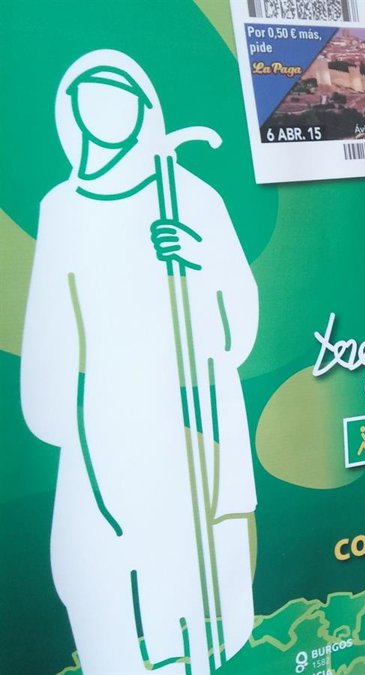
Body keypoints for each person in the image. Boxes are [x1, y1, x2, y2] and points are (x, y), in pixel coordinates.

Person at [20, 50, 258, 674]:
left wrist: (199, 263)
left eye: (120, 95)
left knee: (199, 582)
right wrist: (66, 421)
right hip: (105, 429)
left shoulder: (192, 198)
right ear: (71, 111)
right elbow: (49, 338)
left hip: (194, 418)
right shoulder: (62, 210)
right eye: (92, 96)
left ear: (145, 107)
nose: (106, 108)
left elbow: (238, 327)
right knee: (112, 577)